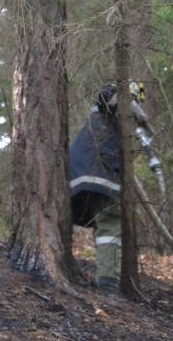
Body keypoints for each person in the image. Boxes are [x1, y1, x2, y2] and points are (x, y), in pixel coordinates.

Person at [69, 82, 161, 292]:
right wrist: (140, 117)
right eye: (135, 99)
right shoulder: (109, 102)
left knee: (102, 224)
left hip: (78, 178)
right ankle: (108, 281)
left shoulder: (101, 121)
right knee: (110, 223)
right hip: (100, 176)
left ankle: (96, 270)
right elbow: (109, 97)